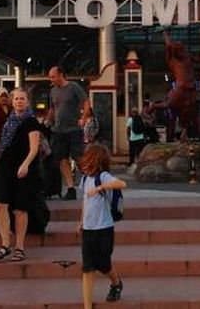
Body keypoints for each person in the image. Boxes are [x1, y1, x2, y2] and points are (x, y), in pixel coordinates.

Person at [0, 88, 42, 263]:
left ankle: (19, 246)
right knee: (0, 204)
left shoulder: (31, 122)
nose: (19, 101)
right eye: (16, 99)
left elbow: (34, 147)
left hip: (23, 169)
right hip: (6, 167)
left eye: (22, 99)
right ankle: (5, 244)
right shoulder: (9, 121)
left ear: (27, 102)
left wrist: (26, 164)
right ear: (12, 102)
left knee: (20, 209)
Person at [79, 143, 127, 307]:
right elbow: (86, 202)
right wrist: (81, 221)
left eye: (88, 160)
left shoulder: (103, 176)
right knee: (88, 268)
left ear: (96, 161)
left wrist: (100, 187)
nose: (84, 163)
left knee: (104, 264)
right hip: (88, 229)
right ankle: (87, 305)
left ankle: (116, 283)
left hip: (104, 229)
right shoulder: (85, 179)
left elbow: (121, 184)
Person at [47, 66, 91, 201]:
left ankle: (89, 183)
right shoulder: (53, 91)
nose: (51, 79)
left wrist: (84, 119)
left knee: (79, 158)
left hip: (73, 129)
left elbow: (86, 102)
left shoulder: (74, 87)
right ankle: (71, 188)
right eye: (50, 77)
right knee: (63, 159)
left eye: (53, 76)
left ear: (61, 74)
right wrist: (48, 122)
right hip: (58, 130)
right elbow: (52, 108)